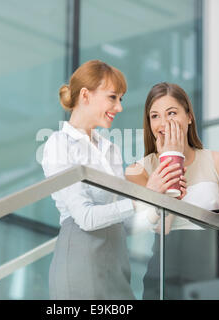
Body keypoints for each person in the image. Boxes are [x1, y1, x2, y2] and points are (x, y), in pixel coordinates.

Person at [41, 61, 188, 300]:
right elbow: (86, 219)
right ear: (86, 95)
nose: (119, 107)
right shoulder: (59, 144)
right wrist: (144, 198)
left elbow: (122, 223)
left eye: (121, 99)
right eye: (112, 98)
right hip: (80, 261)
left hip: (118, 264)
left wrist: (155, 204)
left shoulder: (110, 150)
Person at [125, 82, 219, 300]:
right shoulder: (137, 170)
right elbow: (162, 227)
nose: (163, 123)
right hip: (165, 271)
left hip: (212, 267)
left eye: (171, 113)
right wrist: (169, 159)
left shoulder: (218, 161)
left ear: (189, 116)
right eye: (155, 116)